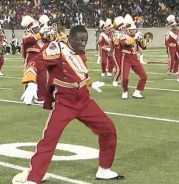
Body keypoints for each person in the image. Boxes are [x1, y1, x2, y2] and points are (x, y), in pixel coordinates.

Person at [16, 25, 124, 184]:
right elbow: (36, 63)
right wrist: (31, 83)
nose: (83, 44)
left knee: (108, 128)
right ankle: (33, 179)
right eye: (80, 40)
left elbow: (80, 72)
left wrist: (90, 83)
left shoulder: (80, 51)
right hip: (64, 102)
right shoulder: (57, 47)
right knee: (49, 139)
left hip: (84, 100)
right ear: (70, 38)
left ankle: (104, 169)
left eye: (85, 41)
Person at [120, 14, 147, 99]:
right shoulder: (122, 35)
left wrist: (143, 40)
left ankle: (137, 91)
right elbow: (125, 43)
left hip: (134, 57)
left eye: (134, 29)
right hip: (126, 57)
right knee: (124, 78)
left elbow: (143, 47)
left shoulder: (136, 36)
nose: (133, 31)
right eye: (131, 30)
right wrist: (135, 38)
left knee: (144, 76)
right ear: (127, 30)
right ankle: (125, 91)